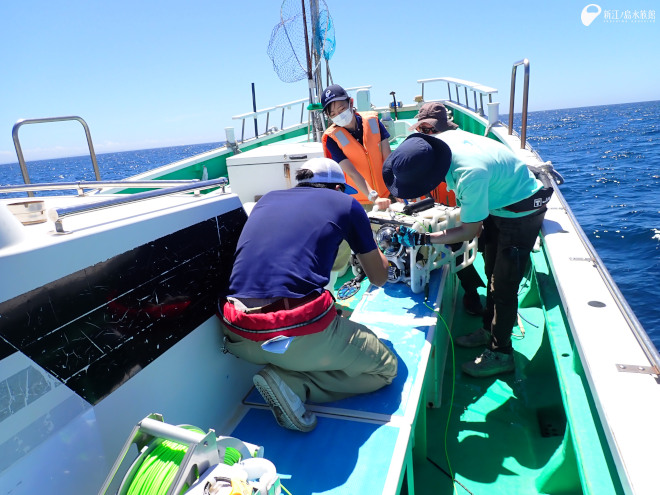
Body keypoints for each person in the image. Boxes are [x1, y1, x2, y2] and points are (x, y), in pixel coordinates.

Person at [219, 157, 397, 432]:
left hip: (238, 333)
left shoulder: (266, 200)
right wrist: (382, 250)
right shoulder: (347, 205)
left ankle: (287, 370)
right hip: (293, 336)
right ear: (338, 189)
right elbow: (379, 277)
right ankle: (292, 384)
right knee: (385, 368)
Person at [382, 131, 551, 378]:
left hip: (519, 210)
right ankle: (489, 328)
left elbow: (472, 230)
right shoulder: (441, 143)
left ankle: (501, 353)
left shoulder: (470, 175)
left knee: (503, 285)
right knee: (490, 269)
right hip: (497, 202)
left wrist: (424, 238)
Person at [409, 102, 486, 316]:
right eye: (421, 130)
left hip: (466, 211)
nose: (425, 135)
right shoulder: (422, 151)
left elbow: (474, 191)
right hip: (433, 209)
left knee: (465, 246)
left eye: (430, 130)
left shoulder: (462, 151)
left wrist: (474, 221)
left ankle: (474, 290)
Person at [321, 84, 392, 211]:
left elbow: (388, 158)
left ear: (351, 102)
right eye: (333, 114)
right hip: (359, 202)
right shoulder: (332, 138)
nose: (338, 115)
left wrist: (396, 187)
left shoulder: (373, 122)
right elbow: (352, 172)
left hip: (387, 193)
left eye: (341, 109)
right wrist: (374, 198)